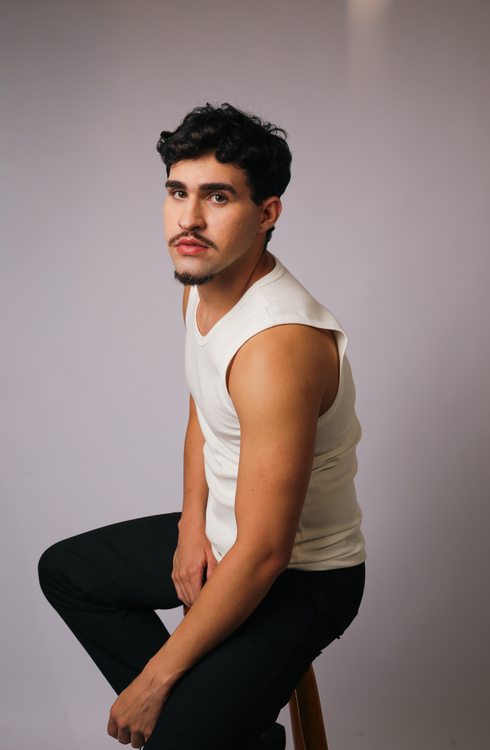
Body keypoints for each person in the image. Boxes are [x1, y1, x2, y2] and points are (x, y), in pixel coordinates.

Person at [38, 103, 366, 750]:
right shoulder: (201, 283)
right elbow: (204, 406)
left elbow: (267, 553)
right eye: (177, 192)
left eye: (217, 197)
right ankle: (229, 730)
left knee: (171, 731)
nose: (188, 219)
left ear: (266, 213)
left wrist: (155, 679)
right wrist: (192, 524)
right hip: (227, 534)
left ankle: (206, 726)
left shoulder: (276, 347)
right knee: (70, 572)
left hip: (300, 575)